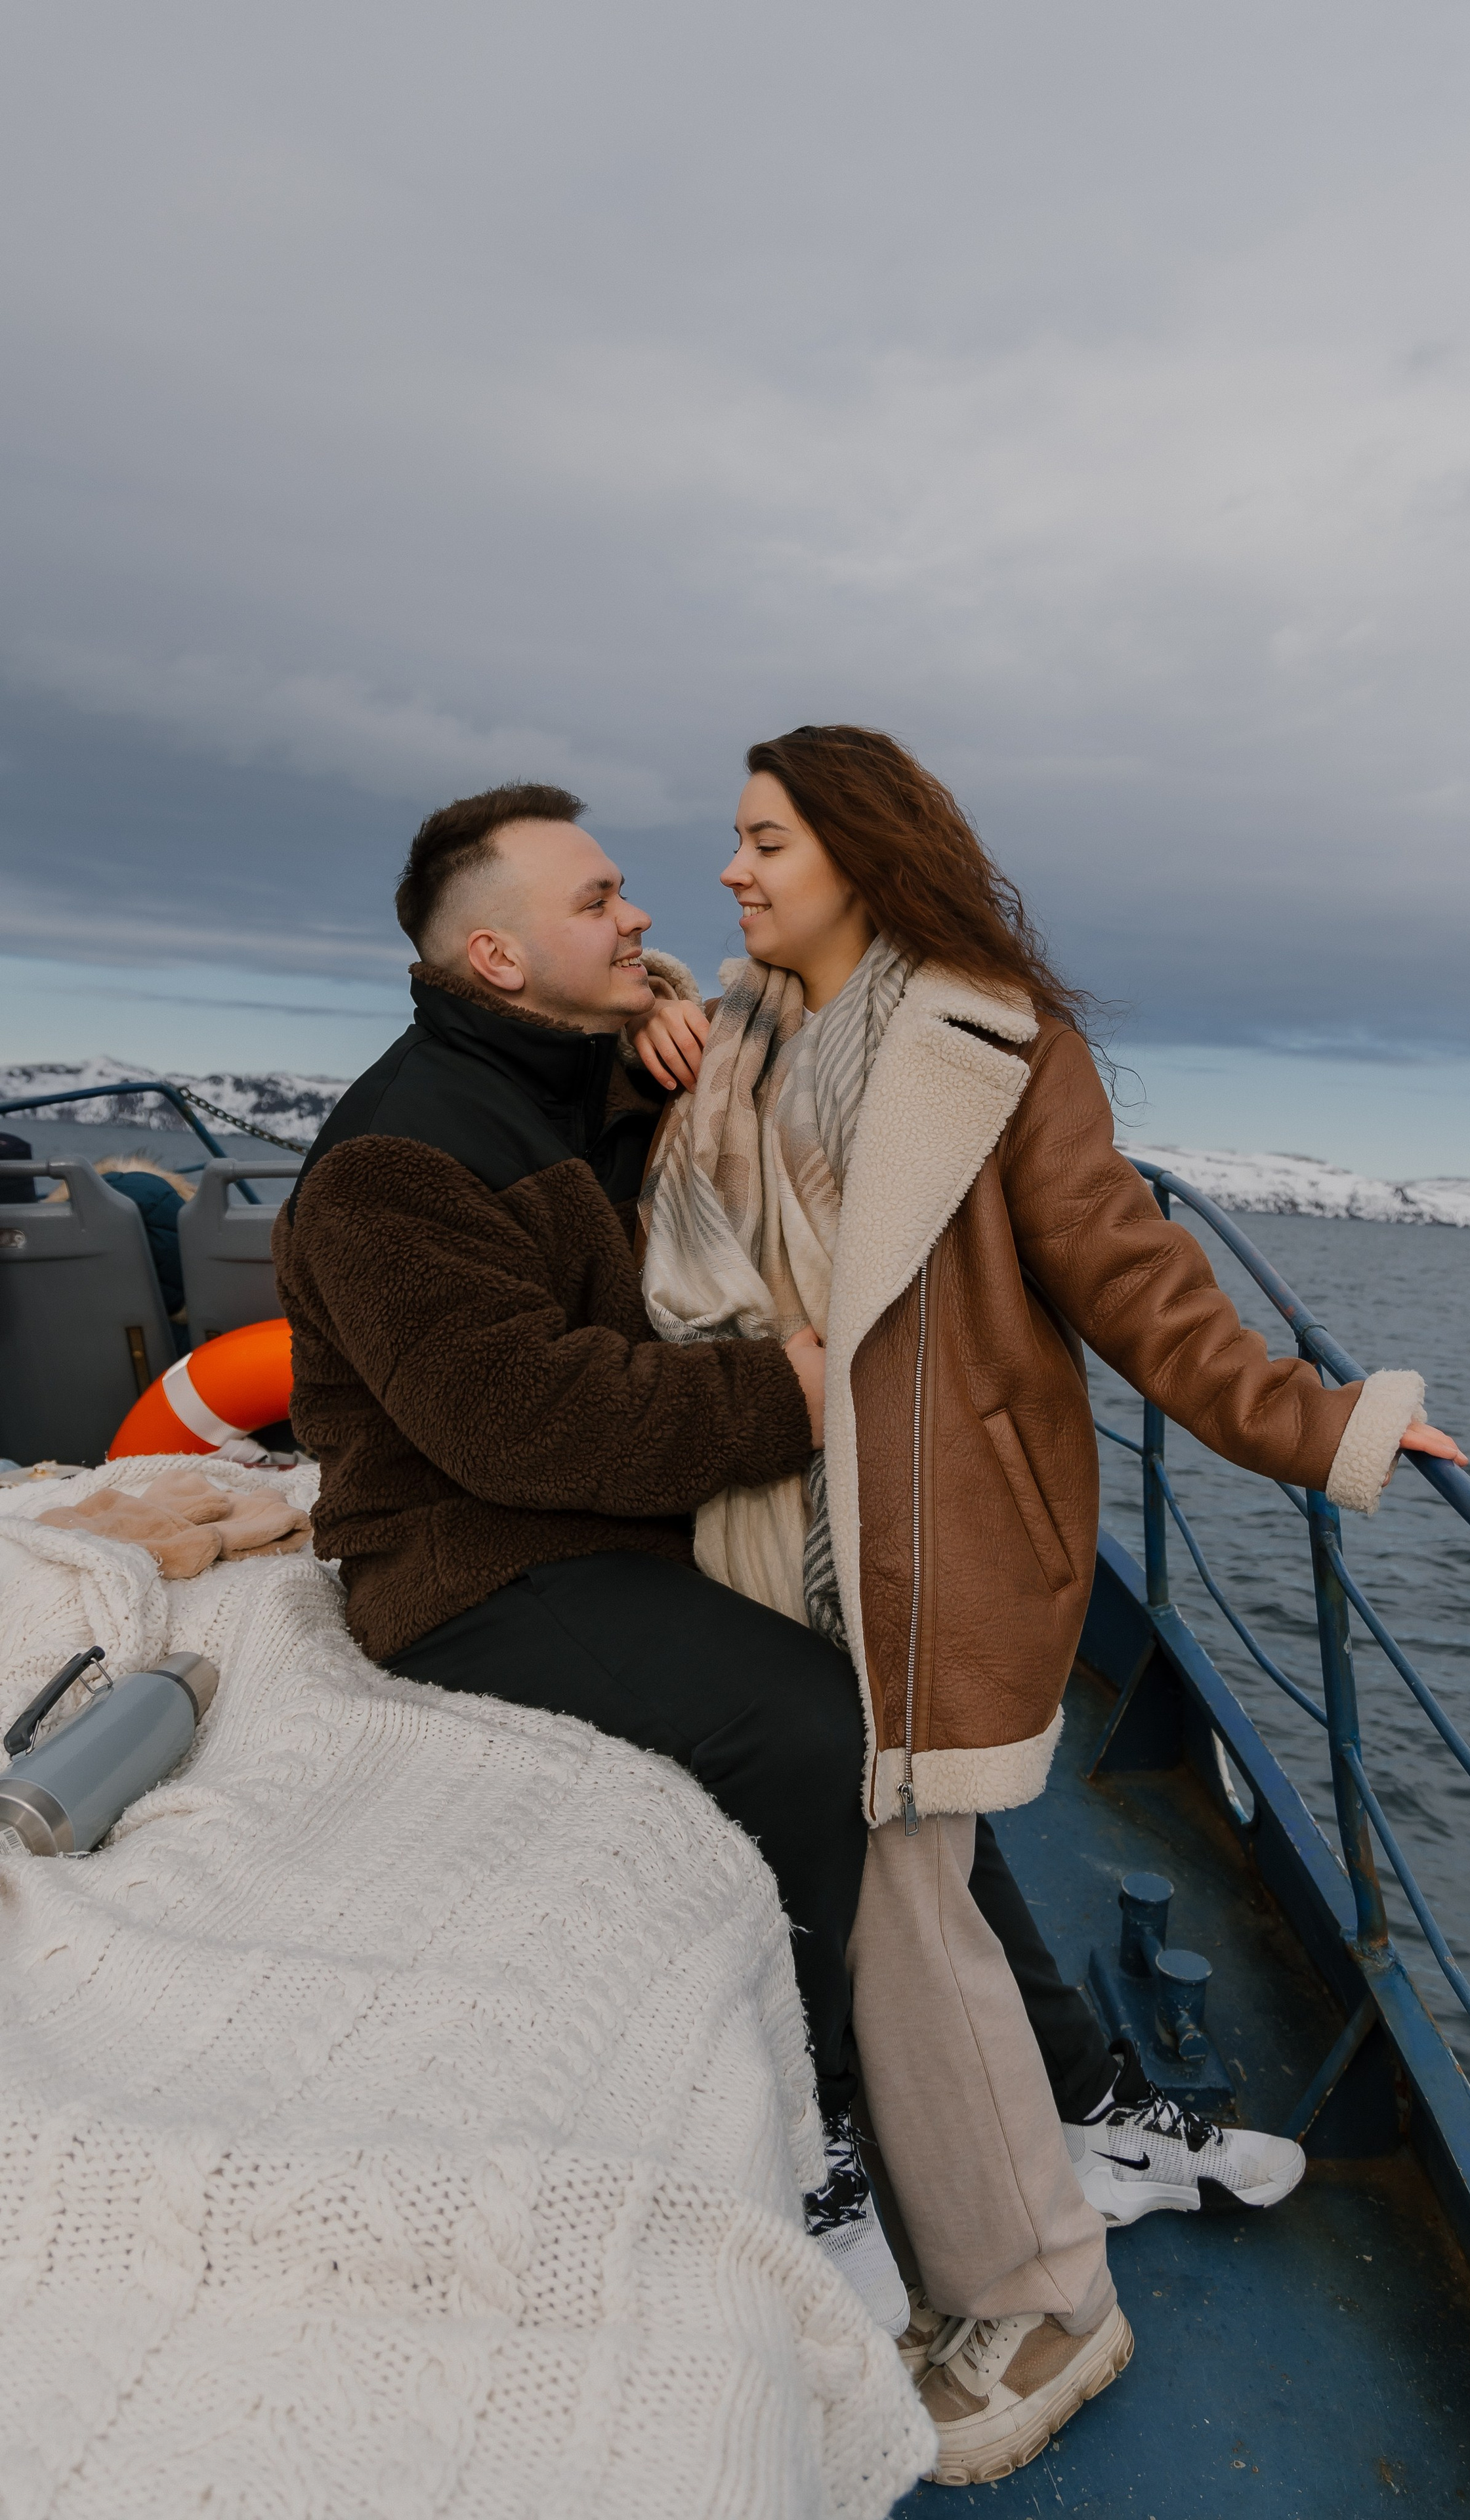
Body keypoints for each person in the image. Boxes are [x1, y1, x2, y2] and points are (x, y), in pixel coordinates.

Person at [635, 723, 1467, 2487]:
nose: (734, 869)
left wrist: (1325, 1424)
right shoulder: (747, 1036)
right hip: (775, 1531)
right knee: (865, 1903)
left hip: (936, 1554)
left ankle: (1045, 2297)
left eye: (765, 840)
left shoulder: (995, 1047)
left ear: (861, 850)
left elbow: (1130, 1276)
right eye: (734, 841)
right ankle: (978, 2253)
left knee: (908, 1918)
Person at [271, 781, 911, 2333]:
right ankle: (820, 2138)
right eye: (598, 900)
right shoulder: (395, 1159)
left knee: (925, 1717)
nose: (639, 916)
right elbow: (519, 1423)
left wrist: (672, 1058)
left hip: (627, 1525)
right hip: (470, 1559)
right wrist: (793, 1390)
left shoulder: (583, 1079)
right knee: (816, 1725)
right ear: (496, 959)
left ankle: (1067, 2084)